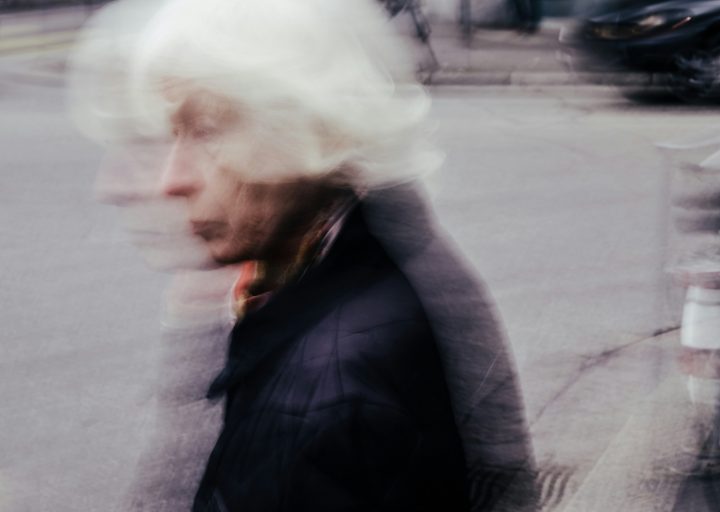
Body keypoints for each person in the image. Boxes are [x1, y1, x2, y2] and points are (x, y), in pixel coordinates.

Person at [69, 0, 538, 510]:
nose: (172, 179)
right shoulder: (365, 250)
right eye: (174, 133)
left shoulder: (328, 400)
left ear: (307, 128)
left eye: (207, 129)